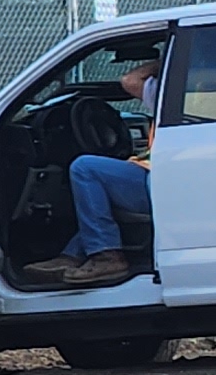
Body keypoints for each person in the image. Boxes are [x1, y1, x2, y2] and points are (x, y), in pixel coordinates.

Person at [23, 56, 156, 289]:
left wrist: (163, 62)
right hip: (164, 178)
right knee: (100, 192)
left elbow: (131, 79)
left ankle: (107, 256)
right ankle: (73, 255)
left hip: (160, 182)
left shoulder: (174, 90)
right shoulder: (196, 92)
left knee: (85, 168)